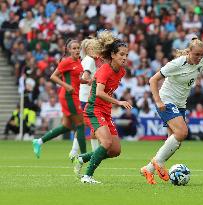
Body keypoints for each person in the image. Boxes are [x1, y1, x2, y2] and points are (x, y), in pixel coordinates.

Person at [140, 38, 203, 184]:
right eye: (196, 54)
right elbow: (153, 80)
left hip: (180, 104)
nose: (199, 58)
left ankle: (149, 169)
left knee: (175, 141)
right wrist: (158, 101)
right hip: (167, 100)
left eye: (202, 55)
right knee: (182, 132)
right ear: (189, 52)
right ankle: (158, 162)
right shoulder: (176, 64)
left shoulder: (202, 61)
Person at [73, 31, 132, 184]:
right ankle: (87, 176)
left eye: (126, 54)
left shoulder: (121, 71)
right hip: (93, 109)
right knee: (106, 143)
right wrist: (118, 102)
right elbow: (99, 93)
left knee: (115, 150)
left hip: (105, 111)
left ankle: (81, 158)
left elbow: (99, 84)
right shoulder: (105, 69)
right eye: (121, 54)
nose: (124, 57)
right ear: (113, 55)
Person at [32, 39, 89, 159]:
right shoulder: (66, 61)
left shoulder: (79, 61)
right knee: (80, 124)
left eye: (78, 48)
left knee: (67, 126)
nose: (77, 50)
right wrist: (66, 85)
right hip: (68, 96)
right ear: (69, 50)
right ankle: (83, 156)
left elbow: (76, 79)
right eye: (74, 48)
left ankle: (39, 142)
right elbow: (53, 76)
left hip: (73, 95)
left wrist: (87, 81)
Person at [68, 37, 104, 160]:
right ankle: (93, 152)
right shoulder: (89, 61)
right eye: (95, 48)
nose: (98, 51)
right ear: (89, 49)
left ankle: (74, 151)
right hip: (86, 98)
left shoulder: (86, 60)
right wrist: (91, 80)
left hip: (83, 97)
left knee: (83, 125)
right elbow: (85, 76)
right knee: (93, 124)